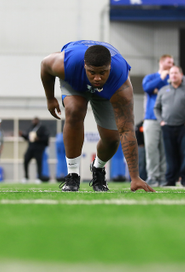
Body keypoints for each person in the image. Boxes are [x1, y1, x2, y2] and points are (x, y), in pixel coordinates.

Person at [40, 40, 154, 192]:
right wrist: (50, 98)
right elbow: (45, 66)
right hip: (76, 82)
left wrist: (135, 177)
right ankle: (72, 175)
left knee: (112, 139)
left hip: (108, 89)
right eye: (92, 72)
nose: (97, 78)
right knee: (74, 111)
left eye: (103, 72)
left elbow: (127, 130)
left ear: (110, 68)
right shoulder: (67, 64)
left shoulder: (120, 83)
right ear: (85, 66)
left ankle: (98, 169)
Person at [154, 66, 185, 187]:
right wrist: (161, 121)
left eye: (176, 73)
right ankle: (170, 179)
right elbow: (156, 108)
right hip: (167, 127)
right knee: (170, 155)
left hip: (184, 127)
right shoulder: (163, 90)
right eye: (171, 73)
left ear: (181, 74)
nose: (173, 75)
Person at [142, 54, 173, 187]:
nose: (171, 65)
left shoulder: (172, 79)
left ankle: (163, 177)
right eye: (168, 62)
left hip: (167, 119)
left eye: (172, 63)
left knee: (165, 150)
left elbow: (170, 94)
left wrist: (158, 90)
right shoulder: (151, 77)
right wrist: (161, 77)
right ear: (161, 62)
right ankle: (152, 176)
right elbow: (147, 88)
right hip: (151, 118)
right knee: (151, 149)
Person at [20, 117, 50, 183]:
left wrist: (38, 139)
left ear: (38, 121)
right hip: (31, 148)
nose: (34, 122)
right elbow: (28, 137)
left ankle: (39, 177)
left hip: (39, 149)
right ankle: (26, 177)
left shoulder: (42, 128)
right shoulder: (31, 128)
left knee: (39, 163)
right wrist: (22, 135)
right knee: (26, 160)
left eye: (35, 120)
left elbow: (46, 138)